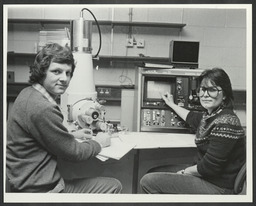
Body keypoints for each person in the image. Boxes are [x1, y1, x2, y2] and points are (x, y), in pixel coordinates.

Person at [6, 43, 122, 193]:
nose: (64, 79)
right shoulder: (43, 108)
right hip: (42, 192)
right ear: (42, 72)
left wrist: (71, 135)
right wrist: (98, 143)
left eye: (68, 73)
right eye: (57, 71)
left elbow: (41, 135)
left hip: (24, 184)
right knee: (114, 186)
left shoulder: (28, 93)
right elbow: (74, 152)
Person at [140, 68, 246, 194]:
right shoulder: (212, 116)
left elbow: (209, 167)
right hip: (208, 176)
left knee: (148, 181)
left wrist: (186, 172)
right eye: (202, 89)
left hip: (218, 187)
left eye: (212, 90)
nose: (205, 95)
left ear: (225, 95)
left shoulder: (227, 122)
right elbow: (191, 117)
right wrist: (171, 104)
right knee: (153, 172)